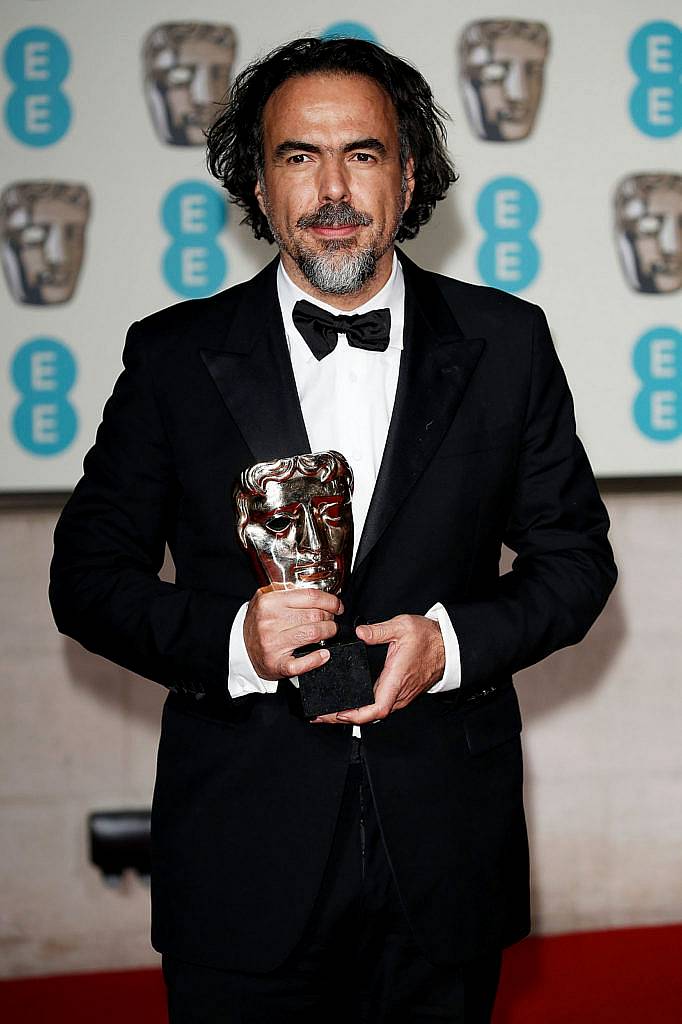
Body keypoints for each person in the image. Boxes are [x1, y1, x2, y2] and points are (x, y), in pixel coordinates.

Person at [49, 37, 617, 1023]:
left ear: (407, 174)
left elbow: (573, 562)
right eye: (296, 157)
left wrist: (449, 645)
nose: (331, 190)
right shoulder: (174, 356)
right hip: (240, 858)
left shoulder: (506, 341)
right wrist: (233, 640)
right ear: (258, 187)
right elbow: (88, 578)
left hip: (445, 847)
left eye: (360, 153)